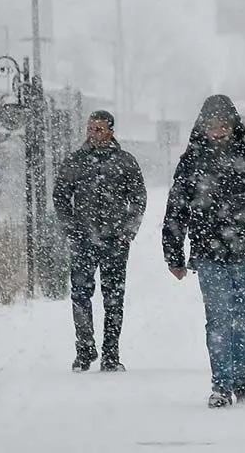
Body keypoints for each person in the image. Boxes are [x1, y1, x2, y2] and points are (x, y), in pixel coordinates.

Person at [162, 94, 245, 408]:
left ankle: (242, 379)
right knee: (219, 319)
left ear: (233, 123)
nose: (217, 129)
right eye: (212, 123)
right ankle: (221, 385)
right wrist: (173, 253)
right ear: (202, 125)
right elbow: (177, 208)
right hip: (210, 254)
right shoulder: (193, 159)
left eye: (222, 122)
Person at [53, 110, 147, 373]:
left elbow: (138, 198)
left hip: (115, 240)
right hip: (82, 239)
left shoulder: (125, 162)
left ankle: (111, 354)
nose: (92, 133)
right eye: (90, 128)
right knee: (81, 295)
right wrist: (71, 228)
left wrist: (128, 231)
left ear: (110, 131)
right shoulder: (75, 162)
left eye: (98, 129)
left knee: (113, 298)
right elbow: (60, 196)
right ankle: (84, 349)